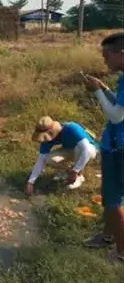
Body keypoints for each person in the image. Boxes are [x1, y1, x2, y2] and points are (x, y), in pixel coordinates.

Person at [81, 32, 124, 264]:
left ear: (121, 54)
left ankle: (121, 252)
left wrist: (97, 91)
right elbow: (121, 103)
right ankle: (108, 236)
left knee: (114, 199)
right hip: (115, 146)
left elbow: (117, 116)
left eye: (107, 55)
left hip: (119, 147)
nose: (104, 60)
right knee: (111, 197)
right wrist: (106, 89)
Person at [24, 116, 99, 196]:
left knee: (83, 150)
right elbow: (41, 159)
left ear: (51, 131)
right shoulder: (47, 140)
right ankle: (67, 172)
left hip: (89, 149)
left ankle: (79, 176)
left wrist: (75, 171)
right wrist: (30, 182)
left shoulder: (72, 128)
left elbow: (86, 149)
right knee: (48, 159)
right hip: (70, 150)